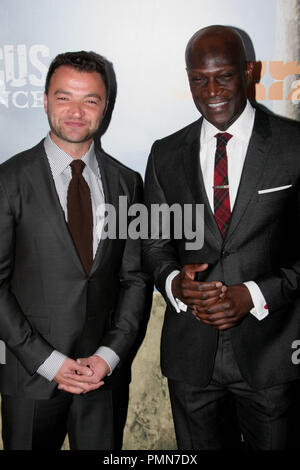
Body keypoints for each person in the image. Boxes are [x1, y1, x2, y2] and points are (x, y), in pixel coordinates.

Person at [143, 25, 300, 449]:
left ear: (250, 71)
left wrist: (253, 294)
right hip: (191, 359)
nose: (211, 90)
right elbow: (154, 245)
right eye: (199, 79)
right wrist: (176, 283)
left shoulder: (294, 146)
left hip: (274, 355)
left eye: (224, 76)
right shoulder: (164, 154)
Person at [0, 50, 151, 450]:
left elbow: (134, 278)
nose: (76, 112)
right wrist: (48, 361)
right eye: (64, 97)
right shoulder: (8, 180)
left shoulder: (126, 183)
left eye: (91, 100)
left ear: (106, 107)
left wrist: (110, 354)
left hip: (103, 377)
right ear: (45, 100)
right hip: (30, 378)